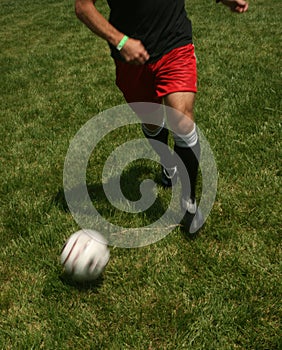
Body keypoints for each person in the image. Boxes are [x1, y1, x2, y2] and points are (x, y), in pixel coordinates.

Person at [74, 0, 248, 234]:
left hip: (174, 41)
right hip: (131, 56)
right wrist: (120, 41)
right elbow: (83, 7)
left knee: (182, 119)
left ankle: (188, 201)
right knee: (152, 123)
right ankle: (169, 166)